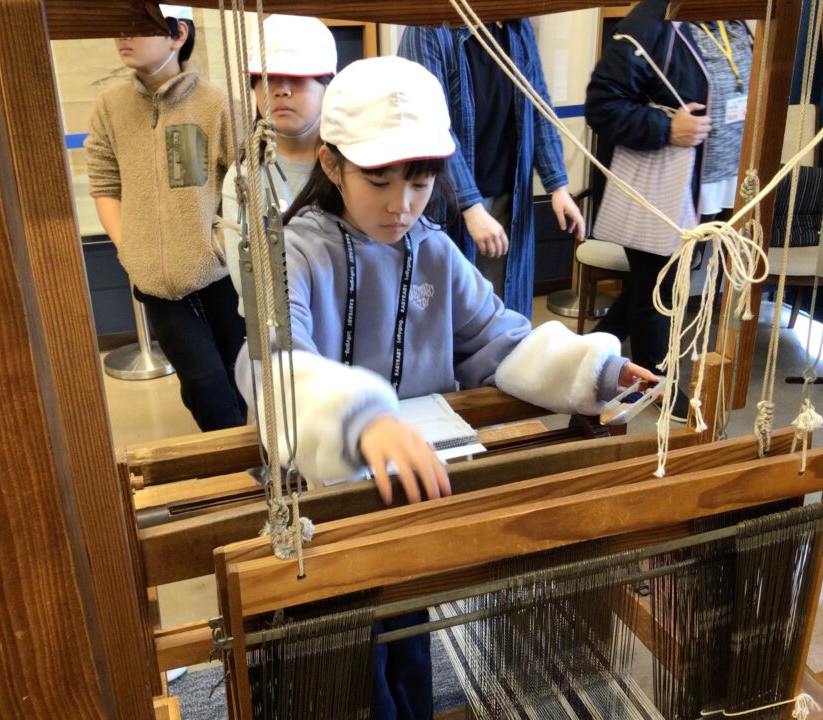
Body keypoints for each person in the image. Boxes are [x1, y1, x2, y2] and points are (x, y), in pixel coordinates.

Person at [235, 55, 658, 719]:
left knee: (408, 640)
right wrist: (362, 421)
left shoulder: (432, 249)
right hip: (319, 506)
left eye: (420, 180)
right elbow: (268, 365)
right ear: (330, 163)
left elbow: (499, 338)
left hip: (411, 490)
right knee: (341, 669)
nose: (401, 203)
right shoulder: (287, 250)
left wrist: (594, 368)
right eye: (379, 179)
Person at [86, 4, 246, 431]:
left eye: (137, 28)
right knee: (203, 384)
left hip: (218, 275)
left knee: (238, 377)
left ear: (178, 35)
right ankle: (234, 461)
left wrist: (219, 243)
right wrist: (129, 247)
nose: (123, 37)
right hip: (155, 283)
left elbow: (246, 181)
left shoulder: (216, 104)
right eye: (118, 27)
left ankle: (249, 458)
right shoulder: (109, 107)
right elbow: (105, 182)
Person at [398, 20, 585, 320]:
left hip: (509, 198)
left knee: (504, 314)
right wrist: (470, 206)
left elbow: (538, 104)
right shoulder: (429, 26)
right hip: (448, 204)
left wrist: (557, 185)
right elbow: (428, 122)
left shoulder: (517, 26)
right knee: (450, 315)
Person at [585, 0, 711, 418]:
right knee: (657, 291)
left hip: (707, 187)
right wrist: (667, 127)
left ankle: (590, 353)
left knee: (651, 285)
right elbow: (602, 106)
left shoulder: (728, 22)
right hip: (663, 183)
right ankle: (658, 387)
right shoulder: (651, 21)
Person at [221, 15, 338, 316]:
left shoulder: (350, 168)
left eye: (297, 76)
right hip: (273, 331)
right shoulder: (243, 176)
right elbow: (247, 282)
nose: (281, 90)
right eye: (269, 77)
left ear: (328, 84)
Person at [688, 20, 753, 221]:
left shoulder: (736, 26)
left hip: (738, 160)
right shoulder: (685, 29)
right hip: (705, 166)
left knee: (729, 233)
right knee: (696, 236)